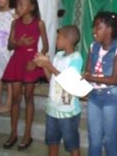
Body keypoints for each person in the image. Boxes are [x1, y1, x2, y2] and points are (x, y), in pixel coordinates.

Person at [2, 0, 49, 151]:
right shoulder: (15, 23)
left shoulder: (39, 23)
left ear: (32, 7)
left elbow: (46, 47)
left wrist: (36, 62)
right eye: (18, 4)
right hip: (17, 60)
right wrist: (18, 42)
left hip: (31, 62)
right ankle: (13, 132)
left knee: (29, 97)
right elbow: (10, 46)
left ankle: (27, 134)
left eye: (22, 4)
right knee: (15, 98)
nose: (18, 7)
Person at [34, 25, 83, 156]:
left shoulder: (76, 58)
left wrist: (49, 65)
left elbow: (69, 81)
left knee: (72, 145)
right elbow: (51, 79)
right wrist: (45, 65)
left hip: (68, 112)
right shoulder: (58, 56)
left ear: (68, 40)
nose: (56, 41)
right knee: (52, 142)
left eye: (58, 38)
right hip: (52, 109)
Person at [83, 12, 117, 156]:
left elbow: (115, 79)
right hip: (95, 96)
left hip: (111, 98)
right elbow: (88, 71)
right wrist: (85, 78)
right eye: (94, 27)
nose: (94, 31)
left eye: (98, 27)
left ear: (109, 30)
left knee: (109, 140)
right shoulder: (93, 46)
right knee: (94, 139)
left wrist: (92, 78)